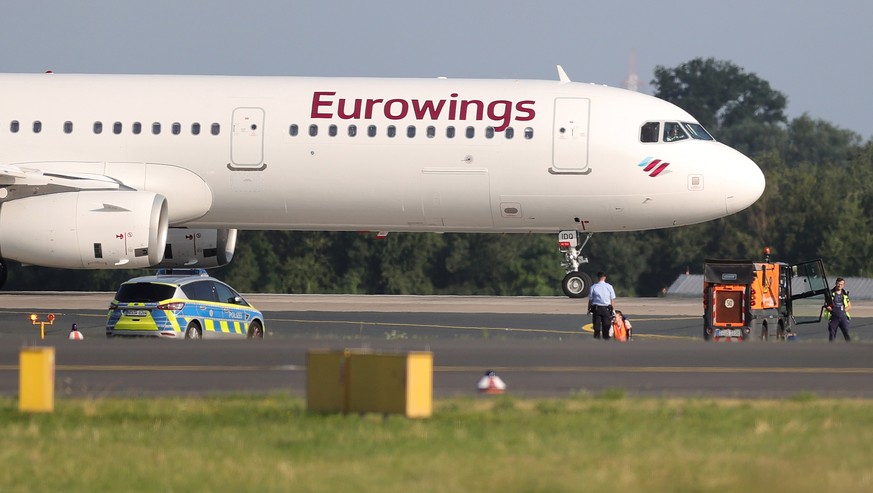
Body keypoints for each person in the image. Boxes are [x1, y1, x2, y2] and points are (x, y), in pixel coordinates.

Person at [588, 271, 616, 340]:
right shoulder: (609, 287)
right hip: (606, 308)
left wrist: (589, 309)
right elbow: (612, 299)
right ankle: (606, 341)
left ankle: (596, 340)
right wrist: (613, 310)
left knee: (596, 327)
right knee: (606, 326)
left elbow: (590, 300)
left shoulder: (593, 287)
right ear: (605, 277)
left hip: (596, 309)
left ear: (598, 277)